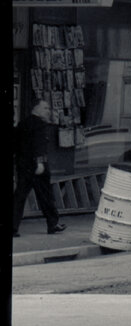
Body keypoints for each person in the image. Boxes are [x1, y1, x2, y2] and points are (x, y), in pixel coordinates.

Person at [13, 100, 66, 237]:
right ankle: (52, 224)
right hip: (37, 166)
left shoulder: (22, 124)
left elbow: (18, 146)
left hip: (24, 166)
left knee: (19, 196)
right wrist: (40, 162)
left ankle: (13, 227)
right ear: (35, 109)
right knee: (46, 195)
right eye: (45, 108)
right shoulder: (40, 125)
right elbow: (39, 145)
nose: (48, 110)